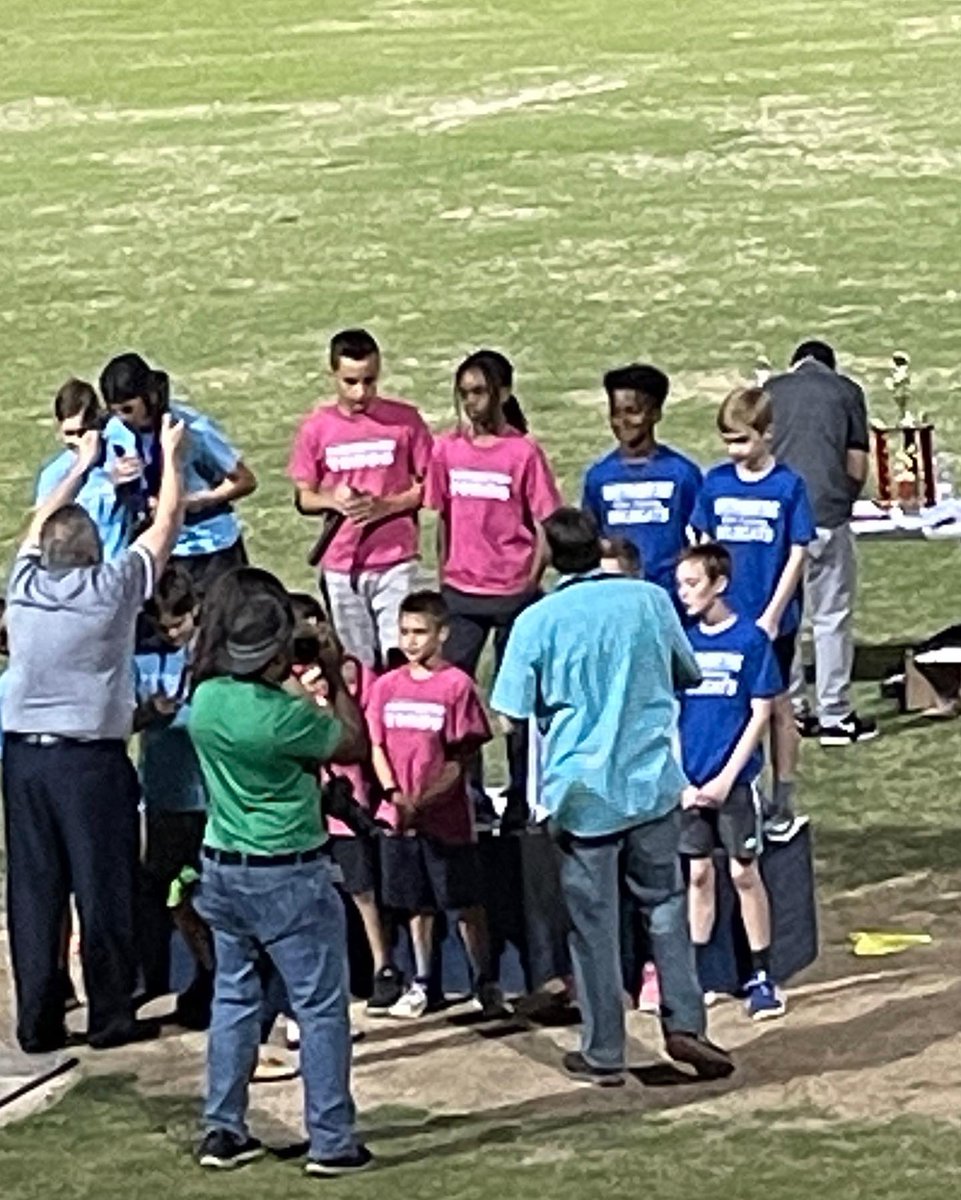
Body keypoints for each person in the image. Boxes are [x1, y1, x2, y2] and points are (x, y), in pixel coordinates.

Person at [491, 508, 733, 1087]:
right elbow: (689, 672)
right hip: (650, 784)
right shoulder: (648, 600)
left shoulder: (537, 621)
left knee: (593, 927)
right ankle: (686, 1023)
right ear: (598, 545)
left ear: (549, 555)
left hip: (582, 796)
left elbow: (508, 713)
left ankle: (604, 1051)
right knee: (666, 906)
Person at [2, 414, 185, 1053]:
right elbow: (164, 531)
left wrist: (78, 468)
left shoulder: (21, 588)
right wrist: (171, 459)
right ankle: (109, 1013)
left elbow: (37, 523)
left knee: (33, 892)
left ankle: (37, 1020)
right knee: (101, 884)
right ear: (93, 553)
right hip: (88, 763)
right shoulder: (110, 590)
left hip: (22, 759)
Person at [188, 578, 372, 1176]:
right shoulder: (285, 718)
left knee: (235, 998)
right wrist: (336, 676)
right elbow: (352, 743)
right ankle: (332, 1141)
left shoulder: (209, 698)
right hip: (288, 873)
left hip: (222, 868)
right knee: (319, 1006)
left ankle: (223, 1128)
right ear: (272, 656)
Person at [425, 350, 562, 829]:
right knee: (455, 695)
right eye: (464, 394)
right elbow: (442, 517)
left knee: (516, 703)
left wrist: (529, 578)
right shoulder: (446, 450)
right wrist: (444, 573)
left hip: (513, 595)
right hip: (461, 594)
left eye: (480, 392)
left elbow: (546, 521)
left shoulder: (523, 453)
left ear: (503, 393)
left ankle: (523, 798)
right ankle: (469, 797)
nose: (471, 403)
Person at [367, 590, 508, 1020]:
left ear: (442, 633)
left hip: (446, 820)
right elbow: (375, 744)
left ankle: (484, 979)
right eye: (404, 632)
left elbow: (460, 759)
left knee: (464, 902)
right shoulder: (387, 685)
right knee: (416, 905)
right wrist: (394, 795)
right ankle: (423, 981)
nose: (410, 641)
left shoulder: (457, 686)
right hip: (399, 817)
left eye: (420, 632)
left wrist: (423, 801)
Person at [691, 386, 815, 837]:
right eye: (727, 441)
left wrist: (773, 613)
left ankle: (782, 796)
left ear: (768, 434)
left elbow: (798, 552)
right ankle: (732, 791)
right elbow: (702, 544)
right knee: (726, 705)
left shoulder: (788, 486)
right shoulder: (715, 482)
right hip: (724, 619)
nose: (734, 450)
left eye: (742, 440)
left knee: (777, 708)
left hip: (768, 622)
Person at [675, 544, 786, 1020]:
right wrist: (679, 779)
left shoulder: (750, 640)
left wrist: (726, 778)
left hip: (734, 783)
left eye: (693, 584)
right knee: (698, 874)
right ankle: (696, 974)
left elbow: (762, 713)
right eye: (680, 585)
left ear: (719, 584)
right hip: (689, 783)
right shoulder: (680, 641)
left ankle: (762, 975)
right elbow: (668, 713)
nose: (684, 595)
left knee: (743, 872)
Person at [288, 328, 433, 669]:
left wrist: (386, 507)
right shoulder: (316, 428)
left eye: (369, 381)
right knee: (357, 664)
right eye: (351, 382)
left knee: (401, 658)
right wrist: (333, 501)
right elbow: (304, 497)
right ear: (333, 374)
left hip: (395, 559)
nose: (361, 392)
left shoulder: (406, 421)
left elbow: (432, 486)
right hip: (341, 563)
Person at [288, 594, 404, 1015]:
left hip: (349, 802)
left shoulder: (354, 673)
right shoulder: (282, 680)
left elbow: (361, 735)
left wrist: (333, 682)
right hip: (304, 807)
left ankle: (383, 966)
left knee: (362, 891)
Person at [765, 341, 877, 746]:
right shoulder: (847, 391)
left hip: (777, 520)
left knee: (785, 616)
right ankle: (835, 712)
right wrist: (842, 501)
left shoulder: (771, 391)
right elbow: (857, 464)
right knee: (830, 616)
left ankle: (793, 708)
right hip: (827, 514)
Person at [100, 352, 257, 593]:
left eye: (128, 409)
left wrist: (198, 500)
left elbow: (245, 481)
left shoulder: (193, 428)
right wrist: (116, 479)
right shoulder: (115, 432)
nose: (122, 418)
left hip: (210, 547)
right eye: (115, 411)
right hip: (162, 548)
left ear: (149, 396)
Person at [134, 563, 213, 1030]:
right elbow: (121, 719)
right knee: (166, 895)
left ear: (197, 611)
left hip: (207, 801)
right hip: (162, 800)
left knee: (207, 894)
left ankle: (214, 977)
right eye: (161, 626)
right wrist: (148, 713)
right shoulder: (142, 659)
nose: (171, 633)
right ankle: (170, 976)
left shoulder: (212, 660)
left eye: (178, 623)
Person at [582, 364, 702, 595]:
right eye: (615, 412)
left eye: (632, 411)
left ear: (655, 413)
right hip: (616, 594)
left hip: (669, 595)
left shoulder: (682, 474)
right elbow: (593, 538)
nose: (623, 421)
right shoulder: (599, 476)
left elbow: (700, 539)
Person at [35, 378, 143, 562]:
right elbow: (41, 531)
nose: (78, 441)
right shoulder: (53, 475)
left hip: (118, 566)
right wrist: (84, 465)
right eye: (70, 434)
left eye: (83, 432)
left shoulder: (118, 451)